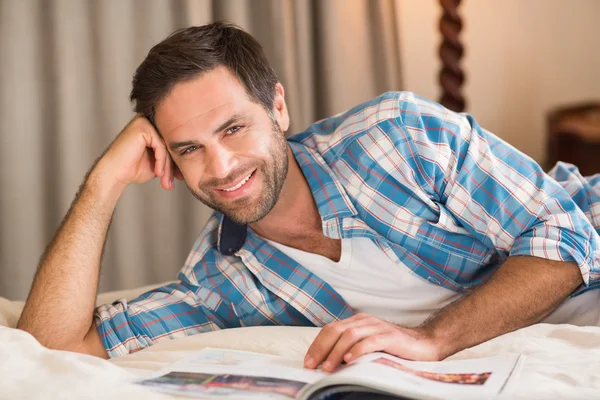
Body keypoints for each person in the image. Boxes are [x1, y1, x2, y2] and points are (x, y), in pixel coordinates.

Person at [17, 22, 600, 372]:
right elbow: (56, 345)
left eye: (232, 129)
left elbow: (568, 235)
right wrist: (102, 184)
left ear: (277, 108)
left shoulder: (399, 136)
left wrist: (431, 340)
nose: (220, 169)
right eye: (188, 149)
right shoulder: (221, 280)